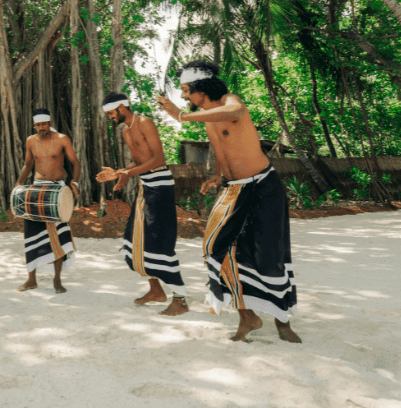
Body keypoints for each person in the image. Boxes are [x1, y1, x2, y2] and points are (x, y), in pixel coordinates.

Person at [158, 60, 301, 343]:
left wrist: (182, 116)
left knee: (269, 254)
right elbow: (222, 148)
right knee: (216, 247)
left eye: (187, 90)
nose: (184, 97)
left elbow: (236, 111)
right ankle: (247, 316)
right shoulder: (209, 114)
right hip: (234, 189)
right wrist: (219, 175)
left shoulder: (229, 101)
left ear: (202, 88)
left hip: (264, 187)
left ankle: (282, 322)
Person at [96, 92, 188, 316]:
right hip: (145, 188)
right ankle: (156, 291)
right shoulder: (126, 131)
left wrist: (122, 172)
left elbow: (158, 160)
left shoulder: (145, 122)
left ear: (121, 107)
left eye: (111, 113)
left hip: (161, 186)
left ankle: (181, 300)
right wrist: (124, 175)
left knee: (159, 243)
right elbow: (138, 161)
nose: (110, 117)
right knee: (136, 241)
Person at [14, 108, 79, 294]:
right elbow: (28, 164)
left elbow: (75, 162)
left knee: (58, 235)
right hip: (36, 189)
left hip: (57, 190)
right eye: (38, 125)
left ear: (50, 123)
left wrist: (74, 182)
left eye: (44, 124)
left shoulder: (62, 139)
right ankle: (31, 279)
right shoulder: (30, 141)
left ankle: (57, 279)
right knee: (32, 233)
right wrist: (18, 184)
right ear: (34, 125)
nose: (41, 128)